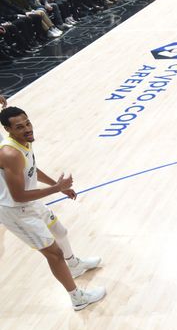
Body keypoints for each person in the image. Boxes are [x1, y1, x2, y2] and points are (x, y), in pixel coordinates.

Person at [0, 106, 105, 310]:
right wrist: (58, 187)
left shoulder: (24, 143)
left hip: (29, 202)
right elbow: (18, 195)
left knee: (60, 231)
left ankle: (74, 265)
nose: (27, 129)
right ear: (8, 130)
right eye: (20, 127)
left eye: (28, 123)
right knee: (54, 254)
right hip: (15, 210)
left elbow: (31, 168)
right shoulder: (10, 153)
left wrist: (57, 187)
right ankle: (78, 298)